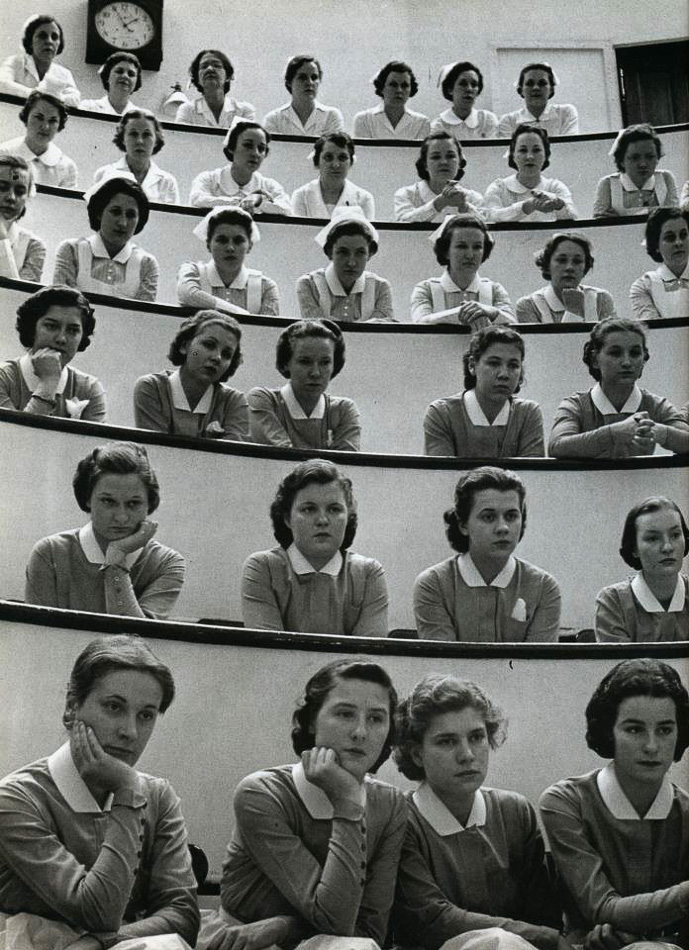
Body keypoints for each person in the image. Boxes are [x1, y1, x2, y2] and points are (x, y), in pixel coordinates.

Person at [0, 634, 200, 949]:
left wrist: (96, 943)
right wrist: (127, 791)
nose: (130, 732)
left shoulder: (157, 795)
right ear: (71, 708)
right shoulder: (16, 799)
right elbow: (97, 912)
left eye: (146, 715)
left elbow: (184, 915)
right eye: (113, 707)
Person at [203, 658, 405, 950]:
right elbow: (333, 921)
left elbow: (367, 930)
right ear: (312, 720)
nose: (361, 732)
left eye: (376, 718)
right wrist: (348, 804)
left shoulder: (390, 803)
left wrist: (283, 927)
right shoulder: (262, 793)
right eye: (345, 714)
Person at [393, 675, 564, 950]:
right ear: (416, 754)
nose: (467, 754)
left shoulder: (515, 811)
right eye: (447, 742)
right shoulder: (400, 818)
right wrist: (545, 937)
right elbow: (432, 919)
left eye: (476, 737)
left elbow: (545, 915)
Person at [539, 658, 689, 945]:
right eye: (634, 729)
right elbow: (602, 909)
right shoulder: (565, 802)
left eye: (665, 729)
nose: (652, 746)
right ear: (609, 731)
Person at [25, 441, 185, 618]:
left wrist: (116, 558)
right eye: (108, 502)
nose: (121, 517)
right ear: (88, 498)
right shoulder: (49, 553)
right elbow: (40, 636)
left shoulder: (166, 562)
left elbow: (134, 638)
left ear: (149, 504)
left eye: (133, 503)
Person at [413, 466, 561, 642]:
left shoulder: (544, 587)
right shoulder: (433, 584)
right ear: (463, 525)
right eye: (489, 517)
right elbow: (444, 666)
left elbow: (536, 668)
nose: (503, 528)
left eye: (511, 516)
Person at [241, 461, 388, 636]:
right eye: (309, 509)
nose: (323, 520)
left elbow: (368, 659)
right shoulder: (262, 567)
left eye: (334, 509)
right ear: (287, 518)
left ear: (348, 517)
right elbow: (269, 655)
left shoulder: (368, 573)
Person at [548, 317, 689, 458]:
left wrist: (658, 431)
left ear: (644, 358)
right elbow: (557, 447)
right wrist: (614, 433)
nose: (627, 362)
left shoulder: (656, 405)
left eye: (635, 353)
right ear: (595, 359)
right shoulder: (575, 405)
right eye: (615, 353)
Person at [423, 325, 544, 457]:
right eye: (494, 363)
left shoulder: (528, 413)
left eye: (513, 365)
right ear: (472, 365)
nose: (504, 374)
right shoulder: (442, 413)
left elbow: (533, 476)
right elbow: (440, 476)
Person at [134, 309, 249, 441]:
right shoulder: (151, 387)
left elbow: (230, 460)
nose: (217, 357)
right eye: (209, 345)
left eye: (227, 354)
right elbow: (158, 452)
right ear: (184, 346)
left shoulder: (234, 402)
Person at [247, 320, 361, 450]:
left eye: (325, 362)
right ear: (286, 363)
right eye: (305, 362)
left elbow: (347, 465)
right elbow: (281, 458)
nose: (315, 373)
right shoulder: (263, 399)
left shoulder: (343, 409)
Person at [0, 284, 105, 421]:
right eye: (51, 326)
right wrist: (48, 383)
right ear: (31, 328)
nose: (61, 338)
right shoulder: (4, 379)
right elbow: (17, 439)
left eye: (73, 330)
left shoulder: (89, 388)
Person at [595, 497, 689, 642]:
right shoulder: (613, 602)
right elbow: (622, 664)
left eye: (675, 535)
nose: (668, 547)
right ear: (634, 549)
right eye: (653, 538)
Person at [53, 175, 159, 301]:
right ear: (99, 213)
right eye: (115, 212)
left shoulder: (146, 264)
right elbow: (61, 304)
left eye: (131, 215)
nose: (123, 223)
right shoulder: (71, 250)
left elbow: (142, 317)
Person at [410, 213, 515, 325]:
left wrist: (491, 312)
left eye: (477, 247)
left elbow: (513, 325)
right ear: (446, 251)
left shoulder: (495, 290)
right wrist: (464, 312)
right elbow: (420, 323)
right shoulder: (426, 289)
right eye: (461, 246)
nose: (470, 255)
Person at [177, 207, 280, 315]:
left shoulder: (265, 287)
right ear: (208, 244)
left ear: (250, 246)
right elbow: (188, 294)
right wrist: (239, 313)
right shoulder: (193, 272)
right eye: (222, 240)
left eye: (238, 241)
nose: (230, 248)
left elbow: (266, 331)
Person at [296, 209, 394, 322]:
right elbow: (317, 333)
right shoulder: (309, 284)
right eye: (343, 252)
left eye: (360, 253)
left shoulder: (380, 288)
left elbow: (376, 335)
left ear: (369, 254)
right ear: (329, 252)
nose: (351, 263)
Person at [189, 119, 292, 215]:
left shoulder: (269, 186)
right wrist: (240, 202)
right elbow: (197, 199)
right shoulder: (209, 179)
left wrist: (258, 201)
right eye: (248, 145)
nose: (255, 153)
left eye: (261, 148)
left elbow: (287, 209)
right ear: (231, 148)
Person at [483, 125, 578, 223]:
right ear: (513, 155)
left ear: (546, 155)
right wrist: (527, 206)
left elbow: (573, 217)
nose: (530, 156)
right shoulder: (499, 188)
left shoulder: (555, 187)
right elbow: (490, 217)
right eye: (523, 150)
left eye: (536, 150)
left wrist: (559, 205)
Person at [516, 232, 617, 323]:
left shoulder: (601, 299)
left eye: (577, 261)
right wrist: (573, 311)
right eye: (561, 260)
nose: (570, 267)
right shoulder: (528, 305)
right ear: (547, 265)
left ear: (585, 267)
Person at [394, 131, 484, 223]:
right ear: (425, 164)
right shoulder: (406, 194)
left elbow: (486, 227)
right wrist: (438, 204)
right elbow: (402, 222)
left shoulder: (473, 198)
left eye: (450, 156)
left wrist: (464, 207)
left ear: (459, 163)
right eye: (436, 157)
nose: (444, 162)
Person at [94, 109, 180, 204]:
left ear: (156, 140)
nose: (140, 141)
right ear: (123, 138)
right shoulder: (104, 174)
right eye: (133, 134)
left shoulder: (167, 182)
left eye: (146, 134)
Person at [593, 124, 679, 218]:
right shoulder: (608, 184)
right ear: (621, 161)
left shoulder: (666, 179)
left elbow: (673, 219)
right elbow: (601, 225)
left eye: (650, 157)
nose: (643, 164)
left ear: (657, 158)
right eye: (635, 158)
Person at [0, 90, 77, 188]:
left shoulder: (67, 167)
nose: (45, 126)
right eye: (39, 117)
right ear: (26, 117)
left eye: (53, 121)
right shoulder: (3, 154)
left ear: (60, 125)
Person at [0, 14, 80, 106]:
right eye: (42, 36)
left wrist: (49, 98)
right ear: (30, 41)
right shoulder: (15, 63)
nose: (49, 41)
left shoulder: (64, 74)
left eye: (54, 37)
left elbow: (75, 99)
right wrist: (35, 95)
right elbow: (2, 84)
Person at [291, 132, 375, 219]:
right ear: (317, 162)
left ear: (351, 162)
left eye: (342, 158)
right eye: (328, 157)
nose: (335, 164)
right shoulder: (301, 196)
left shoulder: (364, 199)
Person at [629, 207, 689, 320]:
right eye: (670, 237)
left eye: (683, 235)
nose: (678, 243)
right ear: (656, 245)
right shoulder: (644, 286)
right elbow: (657, 332)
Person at [263, 55, 345, 135]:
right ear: (289, 82)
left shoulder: (331, 116)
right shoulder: (274, 119)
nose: (310, 82)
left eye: (314, 77)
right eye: (302, 77)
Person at [175, 49, 255, 128]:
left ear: (228, 76)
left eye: (217, 65)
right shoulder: (187, 111)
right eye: (204, 66)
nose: (209, 69)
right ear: (197, 79)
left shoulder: (243, 111)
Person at [353, 61, 430, 139]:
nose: (399, 90)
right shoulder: (364, 120)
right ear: (382, 88)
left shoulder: (422, 123)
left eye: (404, 86)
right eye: (393, 85)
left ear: (411, 89)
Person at [497, 63, 579, 137]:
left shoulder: (565, 113)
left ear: (551, 89)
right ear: (521, 90)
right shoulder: (508, 121)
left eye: (542, 83)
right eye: (530, 84)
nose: (536, 88)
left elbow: (569, 147)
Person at [0, 154, 46, 281]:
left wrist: (2, 240)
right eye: (2, 188)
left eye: (20, 192)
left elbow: (17, 297)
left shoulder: (34, 246)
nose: (11, 198)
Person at [431, 61, 498, 141]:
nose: (469, 89)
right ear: (450, 90)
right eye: (463, 84)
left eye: (474, 85)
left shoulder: (487, 119)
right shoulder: (439, 125)